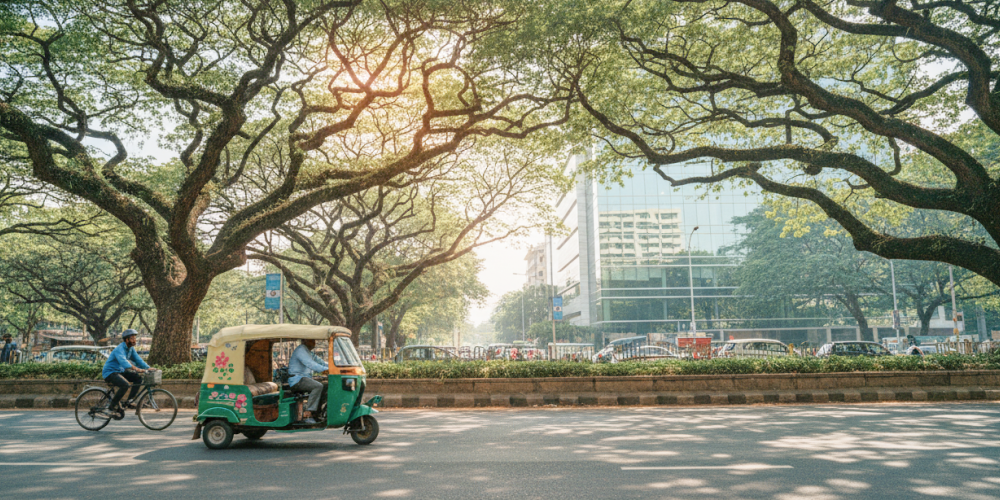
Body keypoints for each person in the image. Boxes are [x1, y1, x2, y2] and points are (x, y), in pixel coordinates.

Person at [101, 329, 150, 415]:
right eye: (132, 338)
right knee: (125, 385)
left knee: (138, 378)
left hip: (120, 371)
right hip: (110, 373)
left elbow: (138, 360)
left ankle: (129, 401)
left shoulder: (130, 349)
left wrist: (148, 368)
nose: (134, 340)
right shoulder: (119, 349)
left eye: (135, 338)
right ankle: (111, 407)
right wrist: (136, 369)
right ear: (127, 340)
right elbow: (124, 362)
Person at [288, 338, 328, 424]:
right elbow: (311, 364)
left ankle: (317, 413)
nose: (314, 342)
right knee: (317, 386)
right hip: (297, 380)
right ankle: (308, 414)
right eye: (311, 340)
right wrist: (326, 370)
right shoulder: (301, 350)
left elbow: (321, 362)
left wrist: (335, 367)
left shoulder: (309, 352)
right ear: (305, 341)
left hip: (304, 378)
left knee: (326, 386)